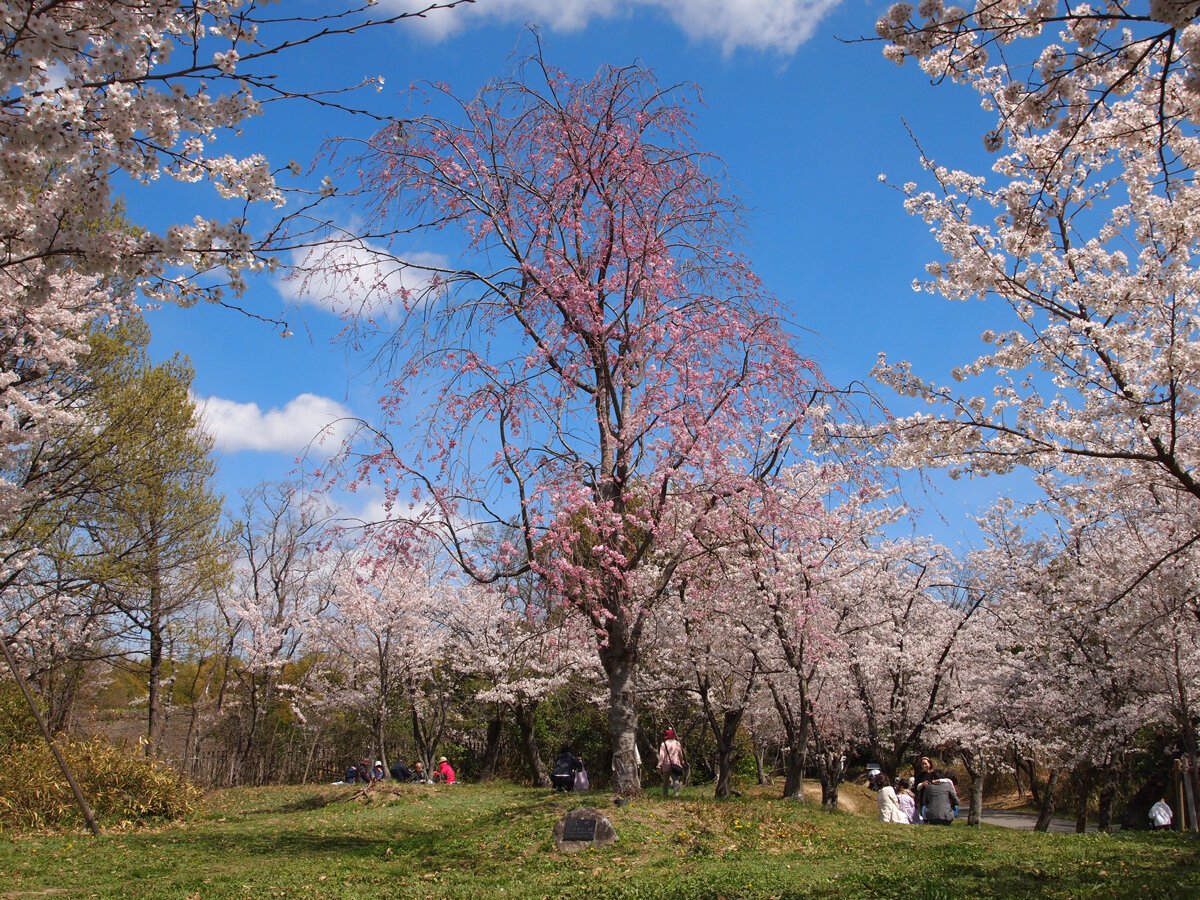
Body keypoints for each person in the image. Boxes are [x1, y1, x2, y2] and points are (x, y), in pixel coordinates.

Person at [657, 728, 685, 798]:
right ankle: (676, 794)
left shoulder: (663, 744)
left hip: (666, 764)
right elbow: (680, 754)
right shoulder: (677, 743)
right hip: (675, 763)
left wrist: (659, 764)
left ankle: (665, 795)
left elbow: (662, 755)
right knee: (676, 779)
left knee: (666, 780)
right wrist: (682, 762)